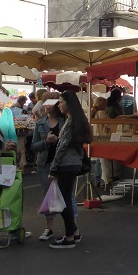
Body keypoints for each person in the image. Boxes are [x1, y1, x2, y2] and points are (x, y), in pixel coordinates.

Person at [48, 90, 91, 249]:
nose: (58, 105)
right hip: (74, 164)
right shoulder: (77, 121)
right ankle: (74, 232)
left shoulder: (71, 122)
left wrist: (53, 168)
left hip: (66, 165)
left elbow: (62, 147)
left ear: (68, 103)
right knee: (66, 199)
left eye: (60, 102)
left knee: (63, 201)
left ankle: (69, 236)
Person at [31, 92, 67, 242]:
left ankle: (71, 228)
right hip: (45, 164)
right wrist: (46, 142)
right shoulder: (40, 123)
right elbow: (34, 146)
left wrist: (58, 140)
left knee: (67, 196)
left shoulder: (66, 121)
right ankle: (49, 228)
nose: (45, 105)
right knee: (48, 195)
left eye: (49, 102)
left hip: (64, 163)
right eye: (44, 102)